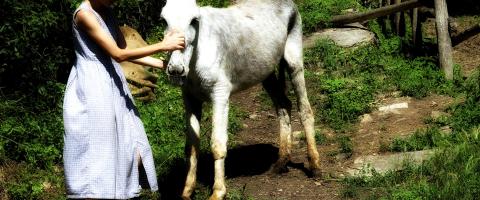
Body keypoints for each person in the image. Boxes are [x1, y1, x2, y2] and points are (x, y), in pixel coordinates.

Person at [62, 0, 184, 199]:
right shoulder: (84, 15)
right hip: (92, 86)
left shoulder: (107, 12)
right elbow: (118, 54)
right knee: (97, 149)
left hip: (112, 82)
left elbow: (126, 51)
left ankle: (116, 191)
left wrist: (165, 65)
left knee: (131, 143)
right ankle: (93, 193)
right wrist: (163, 45)